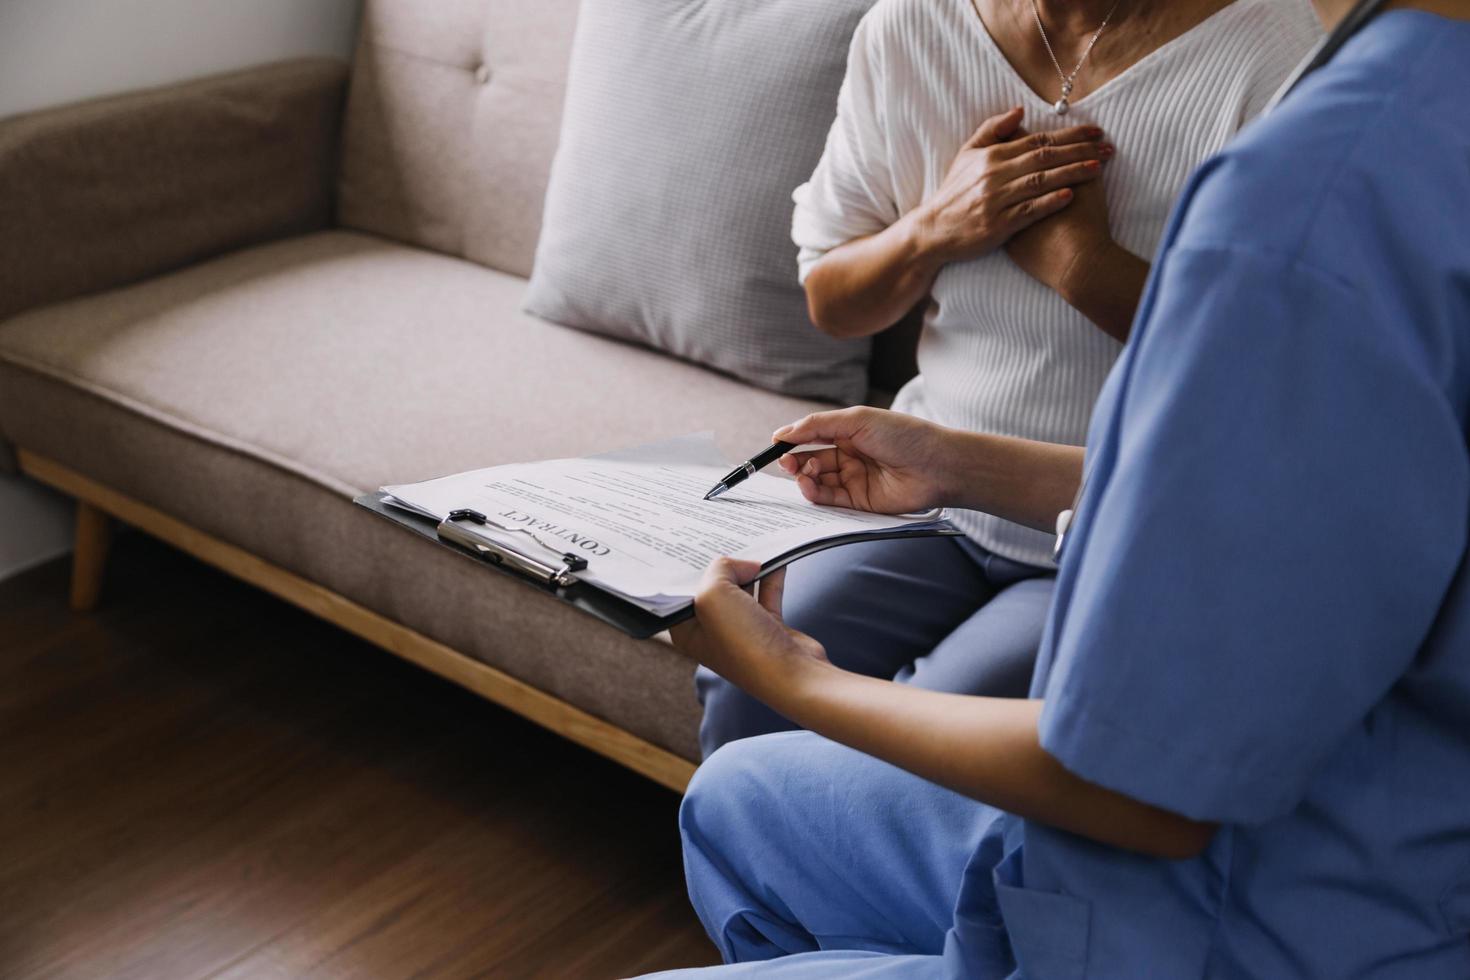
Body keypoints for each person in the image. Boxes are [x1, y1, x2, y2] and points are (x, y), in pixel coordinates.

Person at [650, 0, 1470, 974]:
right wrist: (952, 455)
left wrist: (799, 679)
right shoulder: (1412, 128)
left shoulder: (1292, 200)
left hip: (1205, 922)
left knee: (845, 729)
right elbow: (1289, 493)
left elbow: (1141, 793)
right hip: (1346, 848)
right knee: (729, 789)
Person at [696, 0, 1321, 757]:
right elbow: (833, 299)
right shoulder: (909, 29)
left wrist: (1084, 269)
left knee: (929, 739)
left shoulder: (1288, 54)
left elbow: (1286, 376)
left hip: (1115, 527)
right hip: (919, 500)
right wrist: (934, 229)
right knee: (748, 669)